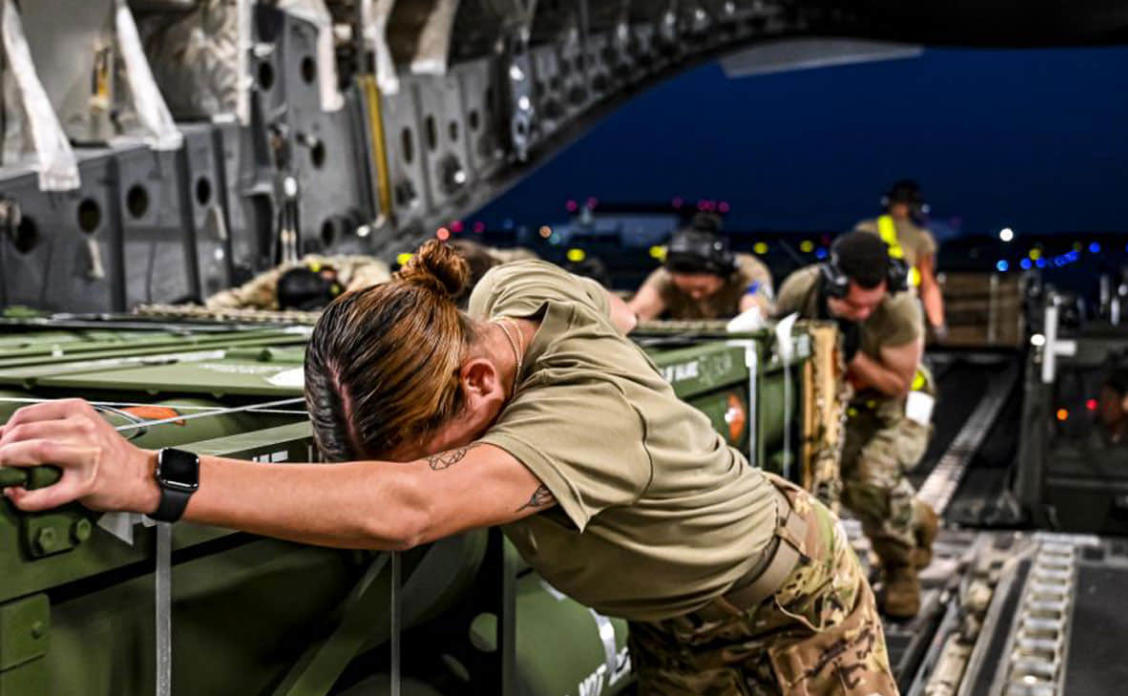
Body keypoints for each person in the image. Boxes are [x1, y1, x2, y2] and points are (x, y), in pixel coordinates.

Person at [0, 242, 897, 695]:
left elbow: (407, 510)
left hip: (786, 618)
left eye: (435, 445)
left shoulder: (584, 417)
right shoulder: (509, 299)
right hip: (672, 617)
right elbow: (609, 317)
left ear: (476, 383)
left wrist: (148, 476)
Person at [776, 231, 939, 619]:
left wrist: (844, 349)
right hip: (834, 403)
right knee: (828, 483)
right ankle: (915, 516)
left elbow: (897, 383)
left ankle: (900, 568)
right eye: (854, 305)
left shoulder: (900, 308)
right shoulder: (802, 291)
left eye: (871, 306)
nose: (864, 313)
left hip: (896, 408)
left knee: (871, 481)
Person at [628, 212, 773, 320]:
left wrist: (751, 311)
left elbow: (756, 310)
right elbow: (639, 311)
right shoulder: (666, 277)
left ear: (722, 276)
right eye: (686, 290)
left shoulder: (747, 271)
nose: (695, 295)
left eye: (701, 288)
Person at [854, 180, 946, 340]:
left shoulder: (865, 229)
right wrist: (938, 323)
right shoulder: (921, 237)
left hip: (865, 308)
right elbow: (927, 283)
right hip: (902, 308)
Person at [206, 255, 390, 311]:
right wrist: (206, 307)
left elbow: (370, 298)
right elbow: (241, 297)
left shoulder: (370, 274)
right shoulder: (287, 278)